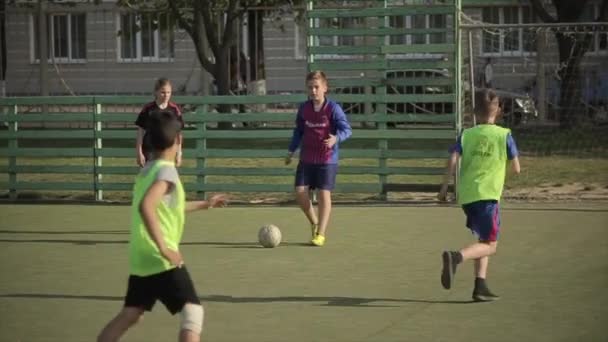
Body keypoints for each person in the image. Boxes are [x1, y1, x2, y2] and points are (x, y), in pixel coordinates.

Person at [98, 110, 228, 342]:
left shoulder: (146, 171)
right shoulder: (167, 172)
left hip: (140, 257)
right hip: (161, 258)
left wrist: (205, 204)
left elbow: (170, 206)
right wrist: (165, 248)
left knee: (131, 314)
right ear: (177, 141)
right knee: (192, 312)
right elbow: (147, 206)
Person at [437, 89, 521, 302]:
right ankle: (456, 257)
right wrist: (499, 177)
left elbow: (454, 158)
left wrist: (444, 188)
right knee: (491, 245)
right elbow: (517, 168)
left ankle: (480, 286)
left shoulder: (467, 134)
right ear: (499, 110)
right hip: (488, 195)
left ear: (474, 111)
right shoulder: (504, 135)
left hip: (467, 196)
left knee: (482, 239)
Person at [285, 71, 352, 247]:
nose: (313, 91)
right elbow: (298, 131)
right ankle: (314, 222)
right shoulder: (304, 108)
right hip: (306, 158)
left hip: (327, 159)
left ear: (325, 88)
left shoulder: (333, 109)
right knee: (300, 193)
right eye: (310, 87)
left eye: (317, 87)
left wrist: (336, 138)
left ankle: (320, 234)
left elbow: (347, 130)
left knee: (323, 194)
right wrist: (291, 150)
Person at [136, 78, 184, 167]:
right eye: (163, 92)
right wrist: (139, 152)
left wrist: (179, 152)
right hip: (150, 152)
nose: (166, 95)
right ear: (156, 92)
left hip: (168, 153)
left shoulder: (174, 109)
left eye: (168, 92)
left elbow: (178, 134)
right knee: (150, 178)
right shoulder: (148, 109)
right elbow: (140, 132)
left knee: (165, 178)